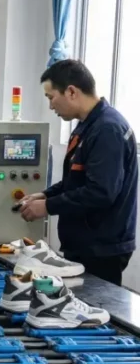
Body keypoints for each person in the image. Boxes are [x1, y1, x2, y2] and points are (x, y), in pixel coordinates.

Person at [19, 59, 138, 285]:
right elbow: (76, 181)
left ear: (71, 92)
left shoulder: (107, 129)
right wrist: (45, 195)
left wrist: (48, 207)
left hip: (102, 247)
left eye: (50, 97)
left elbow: (101, 192)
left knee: (96, 310)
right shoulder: (88, 126)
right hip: (87, 242)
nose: (51, 106)